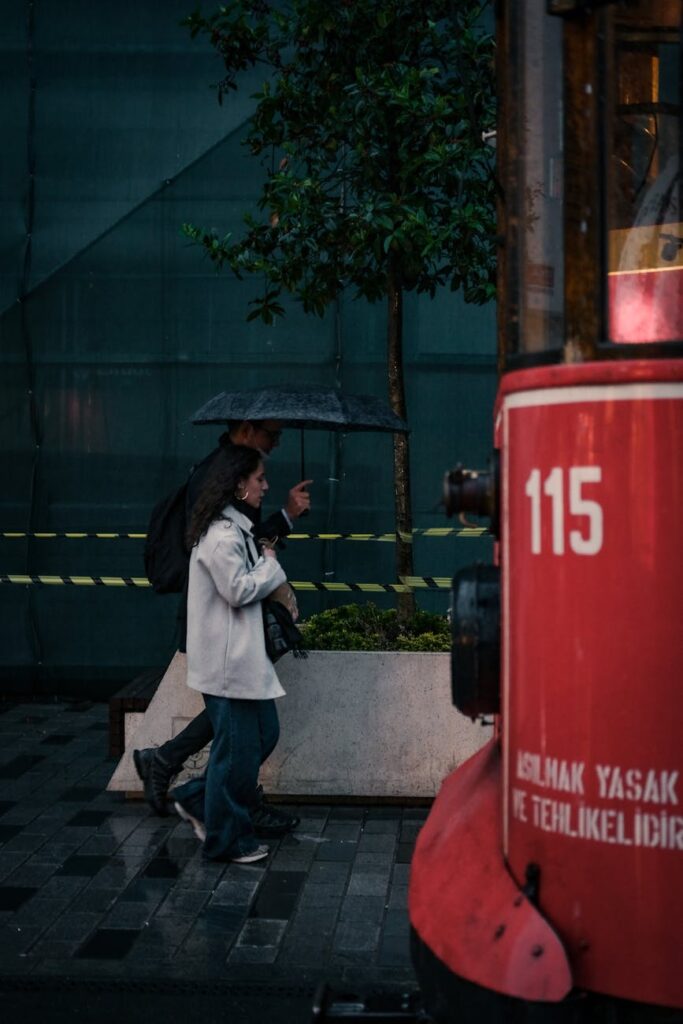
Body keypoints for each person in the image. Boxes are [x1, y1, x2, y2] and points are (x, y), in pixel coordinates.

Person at [134, 419, 311, 835]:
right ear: (247, 429)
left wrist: (283, 521)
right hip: (223, 626)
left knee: (245, 723)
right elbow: (234, 558)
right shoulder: (223, 476)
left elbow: (247, 547)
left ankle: (204, 785)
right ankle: (212, 795)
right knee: (239, 723)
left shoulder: (230, 470)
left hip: (232, 623)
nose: (277, 439)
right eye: (271, 431)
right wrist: (276, 546)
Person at [169, 444, 289, 863]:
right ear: (239, 484)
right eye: (259, 479)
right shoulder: (221, 536)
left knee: (258, 740)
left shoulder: (235, 529)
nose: (265, 486)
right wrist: (270, 563)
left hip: (242, 661)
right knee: (238, 752)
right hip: (228, 664)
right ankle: (226, 841)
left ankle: (195, 797)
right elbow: (237, 590)